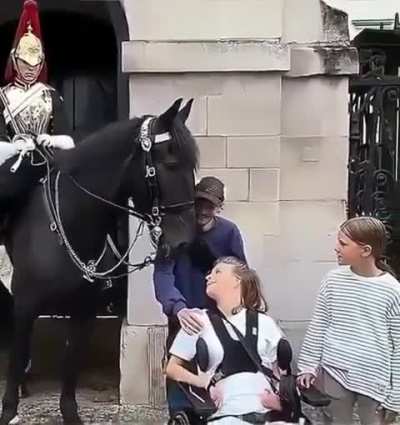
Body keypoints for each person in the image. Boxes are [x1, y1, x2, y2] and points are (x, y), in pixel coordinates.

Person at [153, 176, 246, 416]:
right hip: (183, 321)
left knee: (219, 388)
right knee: (179, 385)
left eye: (210, 205)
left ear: (219, 206)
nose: (204, 210)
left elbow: (240, 276)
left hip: (219, 323)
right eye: (199, 203)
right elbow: (163, 273)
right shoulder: (174, 231)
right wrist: (178, 308)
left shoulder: (229, 232)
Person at [297, 216, 400, 425]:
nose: (336, 248)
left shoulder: (392, 291)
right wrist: (307, 366)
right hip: (335, 369)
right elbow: (319, 324)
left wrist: (396, 396)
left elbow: (398, 345)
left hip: (374, 377)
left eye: (343, 243)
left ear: (366, 251)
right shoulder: (333, 280)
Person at [166, 256, 284, 424]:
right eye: (209, 273)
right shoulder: (198, 320)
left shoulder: (265, 323)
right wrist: (204, 382)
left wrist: (280, 400)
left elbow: (280, 373)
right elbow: (172, 368)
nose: (208, 277)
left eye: (218, 272)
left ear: (237, 280)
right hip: (227, 412)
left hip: (267, 412)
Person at [0, 0, 74, 213]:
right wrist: (16, 146)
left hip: (48, 162)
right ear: (15, 61)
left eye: (35, 63)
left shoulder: (50, 95)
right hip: (12, 162)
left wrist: (51, 139)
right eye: (25, 63)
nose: (31, 69)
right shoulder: (3, 97)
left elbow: (67, 138)